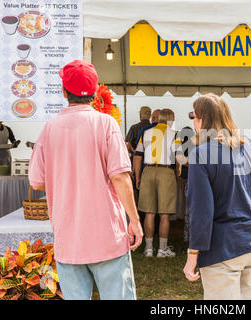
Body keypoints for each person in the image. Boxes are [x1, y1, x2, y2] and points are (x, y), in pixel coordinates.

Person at [28, 60, 143, 300]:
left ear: (63, 92)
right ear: (94, 93)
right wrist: (134, 220)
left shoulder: (49, 128)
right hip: (107, 237)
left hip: (68, 239)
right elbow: (121, 178)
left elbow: (37, 182)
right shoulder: (106, 124)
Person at [183, 94, 251, 300]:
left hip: (225, 247)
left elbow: (201, 210)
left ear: (202, 119)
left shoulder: (200, 154)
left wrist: (192, 254)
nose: (193, 121)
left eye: (193, 116)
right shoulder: (248, 145)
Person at [134, 108, 181, 258]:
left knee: (149, 212)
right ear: (170, 119)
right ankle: (162, 249)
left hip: (147, 171)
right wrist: (180, 169)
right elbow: (179, 157)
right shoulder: (174, 134)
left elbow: (137, 156)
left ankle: (148, 249)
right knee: (164, 214)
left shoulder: (146, 133)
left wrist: (137, 176)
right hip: (166, 172)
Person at [176, 126, 195, 242]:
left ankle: (186, 235)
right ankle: (189, 236)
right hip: (191, 178)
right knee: (190, 209)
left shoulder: (181, 147)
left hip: (183, 178)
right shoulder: (195, 147)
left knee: (185, 208)